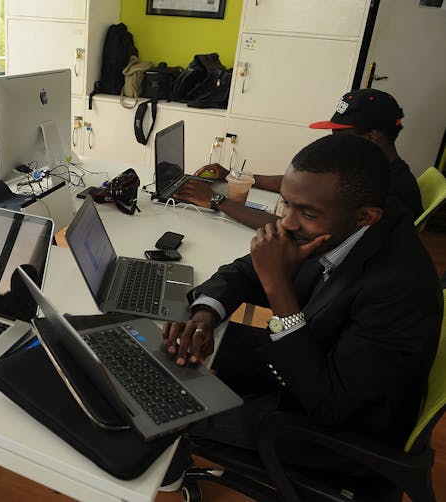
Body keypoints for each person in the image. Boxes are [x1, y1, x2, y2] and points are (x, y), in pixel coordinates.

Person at [159, 134, 442, 492]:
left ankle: (167, 467)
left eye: (305, 211)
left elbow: (330, 406)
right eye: (285, 205)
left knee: (168, 407)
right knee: (169, 351)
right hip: (318, 359)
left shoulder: (398, 288)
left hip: (335, 433)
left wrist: (277, 286)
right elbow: (243, 272)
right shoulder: (337, 225)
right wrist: (203, 317)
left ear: (366, 216)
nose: (287, 224)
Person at [177, 89, 424, 229]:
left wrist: (216, 200)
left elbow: (294, 230)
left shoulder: (385, 191)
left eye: (341, 135)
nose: (334, 142)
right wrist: (238, 176)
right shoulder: (371, 169)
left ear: (372, 137)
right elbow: (310, 189)